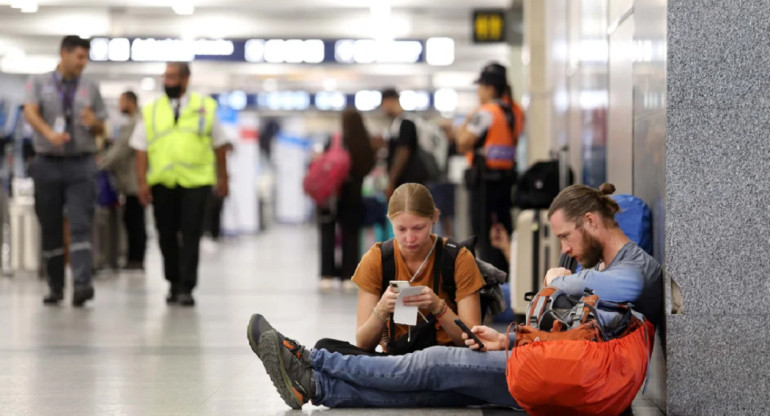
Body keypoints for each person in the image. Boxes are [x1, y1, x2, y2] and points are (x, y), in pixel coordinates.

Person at [246, 183, 662, 409]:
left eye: (566, 237)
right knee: (434, 389)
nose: (566, 249)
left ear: (591, 221)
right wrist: (510, 339)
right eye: (401, 229)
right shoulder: (597, 266)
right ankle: (315, 384)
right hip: (558, 367)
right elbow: (574, 338)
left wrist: (563, 282)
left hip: (578, 379)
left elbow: (629, 288)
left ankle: (307, 359)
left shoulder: (634, 266)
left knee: (433, 363)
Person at [315, 182, 485, 354]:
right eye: (401, 229)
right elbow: (363, 344)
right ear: (390, 221)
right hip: (396, 363)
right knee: (324, 347)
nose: (410, 238)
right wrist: (381, 309)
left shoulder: (458, 259)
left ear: (434, 217)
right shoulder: (377, 259)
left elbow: (473, 339)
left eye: (419, 228)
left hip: (446, 360)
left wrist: (439, 308)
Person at [130, 62, 230, 307]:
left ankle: (187, 286)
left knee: (191, 234)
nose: (168, 82)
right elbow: (140, 149)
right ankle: (173, 281)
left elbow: (220, 145)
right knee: (166, 234)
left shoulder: (205, 107)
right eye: (166, 77)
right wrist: (142, 182)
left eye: (173, 77)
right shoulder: (152, 109)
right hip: (163, 183)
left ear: (186, 79)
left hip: (196, 183)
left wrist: (223, 178)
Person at [24, 35, 107, 307]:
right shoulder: (39, 82)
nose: (83, 63)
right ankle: (55, 285)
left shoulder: (90, 86)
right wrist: (49, 133)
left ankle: (83, 284)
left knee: (81, 223)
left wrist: (94, 122)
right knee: (50, 226)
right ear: (64, 53)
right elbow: (30, 112)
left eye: (86, 58)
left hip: (81, 163)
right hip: (47, 161)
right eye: (79, 57)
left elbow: (102, 129)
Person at [456, 62, 519, 274]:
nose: (478, 92)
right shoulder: (514, 112)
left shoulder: (485, 113)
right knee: (503, 231)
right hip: (505, 181)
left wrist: (466, 120)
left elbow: (463, 142)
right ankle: (508, 275)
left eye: (480, 87)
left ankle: (489, 279)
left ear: (490, 88)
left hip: (484, 184)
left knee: (483, 235)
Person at [318, 108, 376, 292]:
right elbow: (369, 167)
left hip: (332, 194)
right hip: (354, 194)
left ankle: (326, 276)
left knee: (328, 233)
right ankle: (348, 276)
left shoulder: (336, 140)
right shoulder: (365, 143)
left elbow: (324, 164)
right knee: (351, 235)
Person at [99, 91, 146, 271]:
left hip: (134, 181)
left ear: (130, 102)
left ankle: (136, 259)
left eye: (122, 102)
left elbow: (122, 149)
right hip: (129, 181)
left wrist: (102, 163)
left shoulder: (136, 123)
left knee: (135, 221)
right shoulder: (133, 121)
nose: (120, 106)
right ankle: (133, 257)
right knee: (131, 219)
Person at [380, 88, 424, 199]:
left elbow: (403, 152)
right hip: (407, 181)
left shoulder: (405, 122)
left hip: (407, 181)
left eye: (383, 104)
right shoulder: (398, 122)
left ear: (390, 101)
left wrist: (391, 181)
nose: (383, 109)